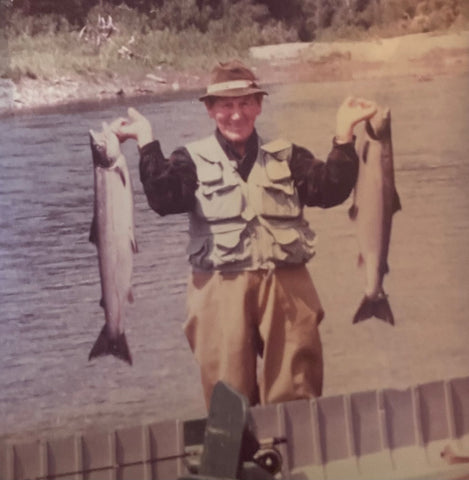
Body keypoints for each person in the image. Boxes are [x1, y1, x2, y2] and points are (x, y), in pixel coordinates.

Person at [111, 59, 377, 408]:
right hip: (219, 287)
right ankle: (238, 458)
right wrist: (145, 141)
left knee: (296, 386)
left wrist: (344, 137)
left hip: (287, 285)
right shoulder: (189, 159)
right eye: (226, 106)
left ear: (259, 106)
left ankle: (294, 454)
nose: (236, 115)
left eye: (245, 104)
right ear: (210, 110)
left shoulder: (288, 156)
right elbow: (164, 199)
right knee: (228, 395)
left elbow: (330, 190)